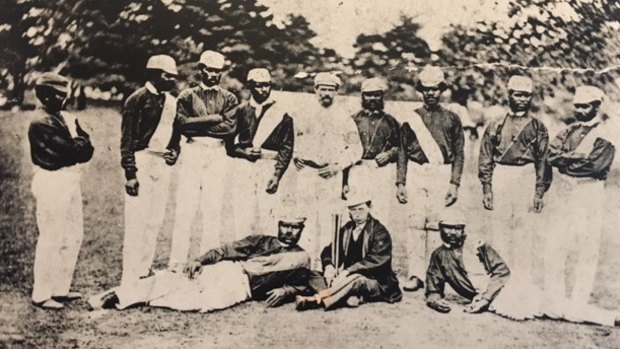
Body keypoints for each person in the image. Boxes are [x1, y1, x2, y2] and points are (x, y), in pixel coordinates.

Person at [426, 211, 620, 327]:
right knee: (554, 308)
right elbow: (433, 288)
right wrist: (436, 302)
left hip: (505, 289)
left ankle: (611, 318)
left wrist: (485, 298)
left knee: (555, 306)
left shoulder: (476, 245)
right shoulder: (438, 256)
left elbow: (502, 271)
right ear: (440, 228)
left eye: (457, 228)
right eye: (448, 227)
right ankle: (610, 317)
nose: (452, 232)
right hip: (495, 300)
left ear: (463, 230)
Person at [88, 216, 323, 311]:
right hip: (229, 271)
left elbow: (306, 281)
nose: (290, 231)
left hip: (242, 289)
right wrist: (199, 260)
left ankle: (148, 291)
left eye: (295, 227)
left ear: (302, 229)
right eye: (286, 225)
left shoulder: (301, 257)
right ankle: (118, 296)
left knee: (201, 303)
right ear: (279, 224)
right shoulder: (261, 240)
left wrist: (287, 290)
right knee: (180, 278)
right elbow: (224, 251)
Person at [543, 86, 616, 315]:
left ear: (596, 107)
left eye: (586, 106)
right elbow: (551, 155)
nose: (580, 110)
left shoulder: (607, 132)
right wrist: (574, 158)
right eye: (577, 106)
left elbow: (596, 165)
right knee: (556, 243)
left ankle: (577, 303)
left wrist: (565, 160)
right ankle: (555, 301)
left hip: (589, 190)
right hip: (565, 189)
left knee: (587, 246)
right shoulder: (569, 130)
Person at [166, 50, 239, 269]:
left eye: (218, 71)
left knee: (212, 207)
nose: (213, 74)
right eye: (209, 70)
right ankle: (177, 261)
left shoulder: (229, 97)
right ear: (201, 70)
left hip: (216, 153)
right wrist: (214, 119)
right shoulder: (187, 95)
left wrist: (197, 122)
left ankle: (207, 262)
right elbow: (181, 124)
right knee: (185, 207)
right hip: (193, 150)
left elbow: (229, 128)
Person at [28, 72, 94, 309]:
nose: (64, 99)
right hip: (52, 179)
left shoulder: (63, 117)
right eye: (59, 95)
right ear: (45, 95)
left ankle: (59, 289)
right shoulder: (41, 122)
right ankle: (42, 293)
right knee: (51, 235)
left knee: (73, 234)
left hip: (69, 178)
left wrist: (79, 143)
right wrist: (79, 142)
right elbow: (72, 151)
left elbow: (88, 148)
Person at [396, 66, 465, 292]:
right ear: (421, 91)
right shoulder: (411, 118)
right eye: (426, 89)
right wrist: (401, 182)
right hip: (417, 171)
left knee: (437, 224)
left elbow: (459, 152)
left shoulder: (452, 118)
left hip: (441, 172)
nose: (431, 94)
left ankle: (434, 274)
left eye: (435, 89)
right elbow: (403, 151)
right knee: (415, 223)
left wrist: (454, 183)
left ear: (441, 90)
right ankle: (415, 274)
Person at [478, 75, 551, 282]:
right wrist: (487, 188)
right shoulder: (496, 124)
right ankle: (500, 278)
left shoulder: (538, 127)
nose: (522, 99)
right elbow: (486, 157)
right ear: (509, 95)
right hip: (502, 174)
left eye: (526, 95)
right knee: (499, 228)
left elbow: (543, 162)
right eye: (518, 94)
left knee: (523, 230)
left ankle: (521, 280)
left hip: (525, 175)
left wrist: (539, 192)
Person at [292, 72, 363, 268]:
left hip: (330, 174)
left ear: (336, 92)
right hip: (306, 172)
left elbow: (357, 149)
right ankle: (305, 265)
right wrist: (295, 156)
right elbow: (294, 140)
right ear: (315, 90)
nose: (326, 94)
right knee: (304, 217)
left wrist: (337, 166)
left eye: (330, 90)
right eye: (322, 89)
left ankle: (327, 266)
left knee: (328, 219)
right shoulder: (303, 113)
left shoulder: (344, 117)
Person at [119, 55, 178, 288]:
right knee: (137, 220)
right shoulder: (136, 99)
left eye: (174, 77)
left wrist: (174, 151)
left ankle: (144, 269)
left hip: (161, 163)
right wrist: (130, 174)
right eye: (167, 76)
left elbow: (175, 136)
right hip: (142, 161)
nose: (171, 80)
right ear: (153, 74)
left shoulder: (172, 102)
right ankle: (130, 275)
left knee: (155, 219)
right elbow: (127, 139)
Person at [294, 192, 402, 311]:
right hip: (345, 278)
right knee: (310, 274)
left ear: (369, 208)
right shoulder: (347, 228)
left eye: (361, 209)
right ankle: (345, 296)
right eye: (353, 210)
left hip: (376, 282)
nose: (357, 214)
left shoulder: (379, 231)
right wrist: (329, 266)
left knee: (356, 279)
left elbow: (376, 259)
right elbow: (330, 250)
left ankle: (317, 299)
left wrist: (347, 271)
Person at [227, 68, 294, 238]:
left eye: (267, 85)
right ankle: (240, 255)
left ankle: (268, 257)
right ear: (250, 86)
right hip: (244, 166)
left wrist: (277, 175)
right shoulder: (241, 111)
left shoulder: (283, 113)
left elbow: (287, 147)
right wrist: (244, 153)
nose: (264, 90)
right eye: (259, 86)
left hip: (269, 166)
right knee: (242, 214)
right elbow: (229, 145)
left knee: (270, 214)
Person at [347, 77, 400, 225]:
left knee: (381, 211)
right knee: (356, 208)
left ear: (382, 96)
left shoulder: (391, 121)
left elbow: (402, 146)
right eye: (368, 94)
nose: (372, 98)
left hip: (381, 171)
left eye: (376, 94)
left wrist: (389, 154)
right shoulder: (353, 119)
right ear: (362, 96)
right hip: (356, 170)